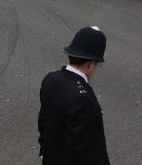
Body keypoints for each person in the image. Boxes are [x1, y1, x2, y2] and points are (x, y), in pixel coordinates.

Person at [38, 26, 109, 165]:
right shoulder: (83, 99)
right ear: (90, 63)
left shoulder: (51, 79)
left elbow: (43, 121)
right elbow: (84, 151)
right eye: (98, 64)